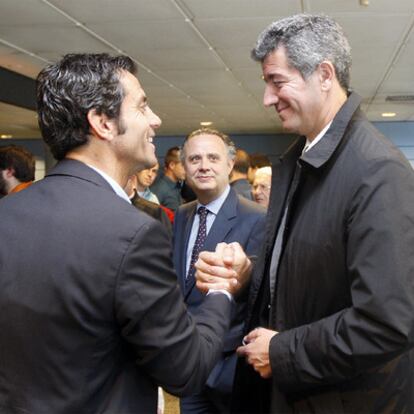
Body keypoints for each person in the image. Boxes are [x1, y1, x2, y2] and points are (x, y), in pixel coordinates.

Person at [0, 53, 243, 413]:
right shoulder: (133, 233)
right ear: (103, 123)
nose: (156, 119)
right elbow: (185, 371)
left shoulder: (7, 213)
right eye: (143, 106)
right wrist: (222, 288)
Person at [196, 14, 414, 413]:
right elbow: (313, 264)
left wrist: (281, 351)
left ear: (325, 74)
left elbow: (387, 321)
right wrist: (250, 273)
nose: (267, 98)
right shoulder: (304, 158)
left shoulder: (377, 171)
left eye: (278, 82)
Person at [173, 128, 266, 414]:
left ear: (229, 164)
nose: (203, 166)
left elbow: (258, 291)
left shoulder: (257, 218)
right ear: (184, 167)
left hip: (230, 366)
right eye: (194, 159)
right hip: (190, 362)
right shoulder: (183, 214)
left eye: (213, 158)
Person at [151, 146, 185, 211]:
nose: (187, 169)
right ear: (172, 165)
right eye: (183, 165)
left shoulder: (177, 186)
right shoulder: (160, 189)